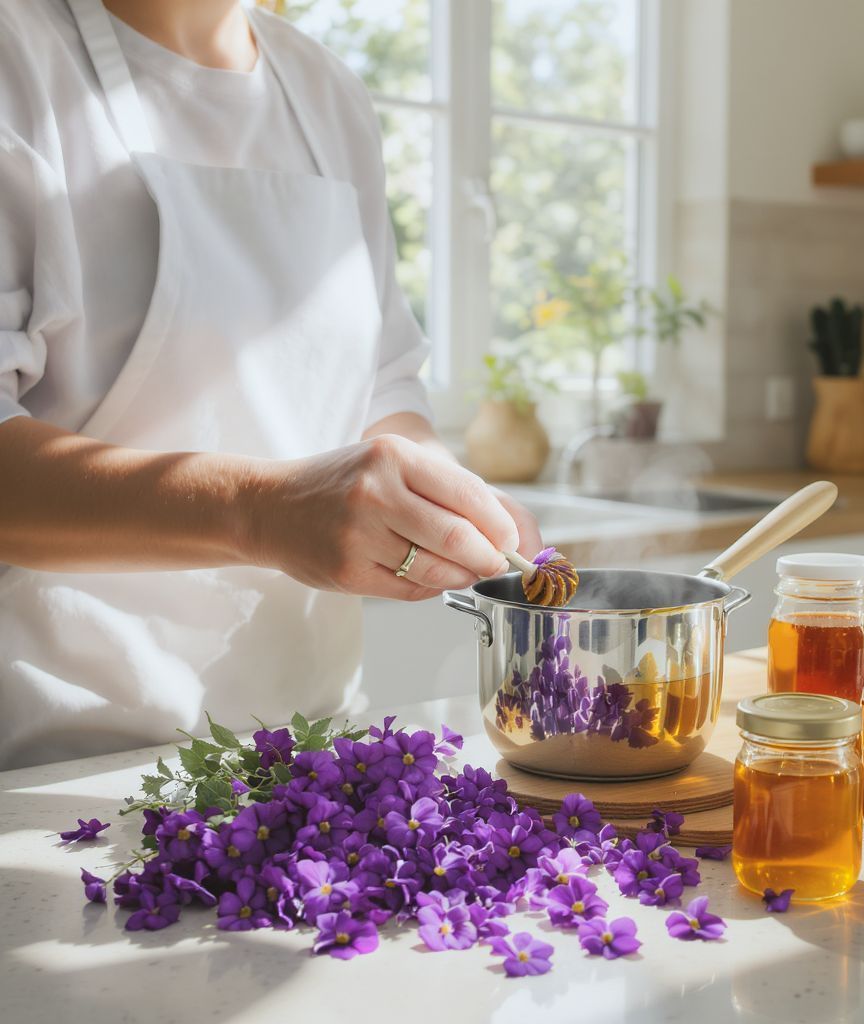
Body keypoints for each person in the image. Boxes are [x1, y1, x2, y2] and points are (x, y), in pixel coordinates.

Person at [0, 0, 541, 770]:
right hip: (59, 759)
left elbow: (384, 388)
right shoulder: (18, 56)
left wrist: (443, 495)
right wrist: (260, 512)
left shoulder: (327, 93)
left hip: (312, 750)